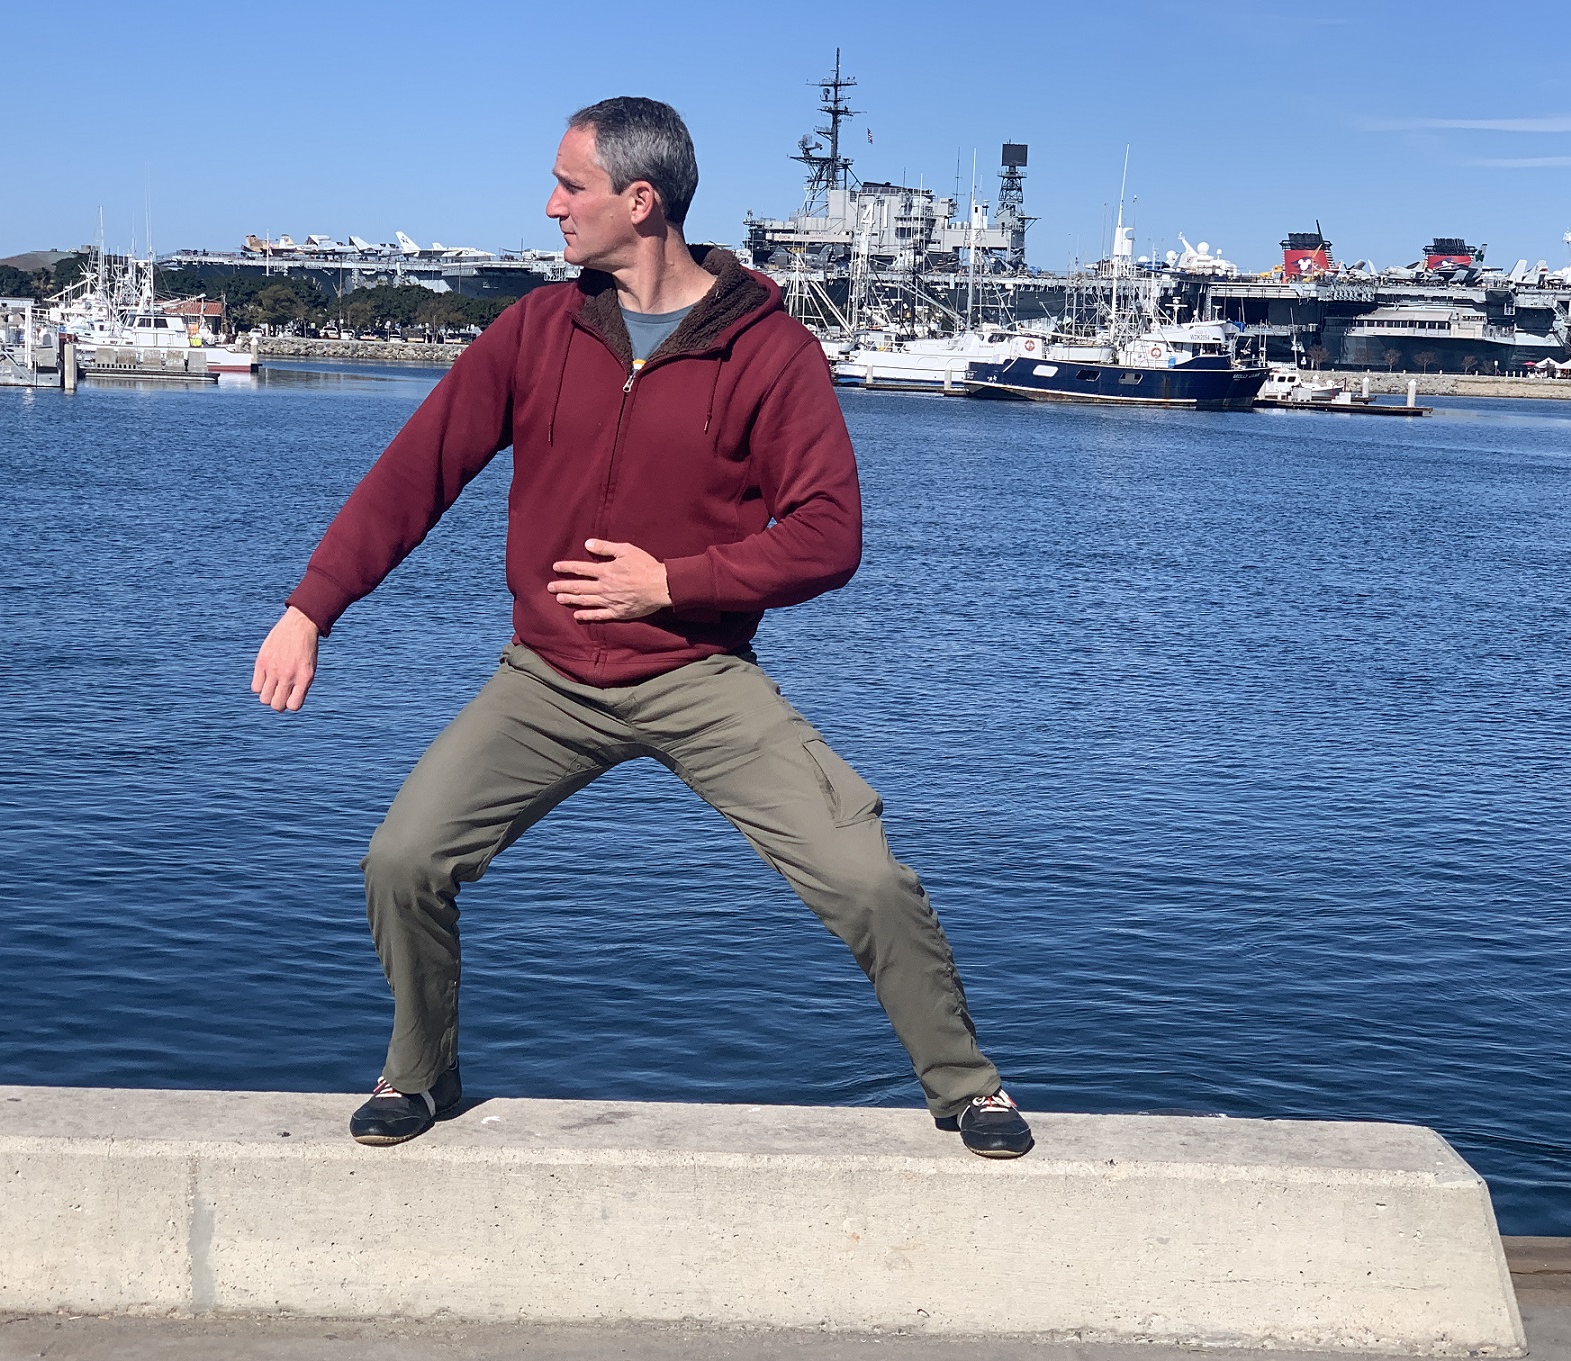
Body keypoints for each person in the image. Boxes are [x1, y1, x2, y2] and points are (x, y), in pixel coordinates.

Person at [250, 97, 1032, 1159]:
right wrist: (311, 607)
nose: (551, 204)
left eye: (570, 185)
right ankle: (421, 1070)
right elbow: (416, 474)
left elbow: (828, 535)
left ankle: (966, 1085)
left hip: (699, 670)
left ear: (639, 199)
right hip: (548, 676)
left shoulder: (770, 351)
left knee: (864, 876)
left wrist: (676, 580)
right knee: (402, 857)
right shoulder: (537, 329)